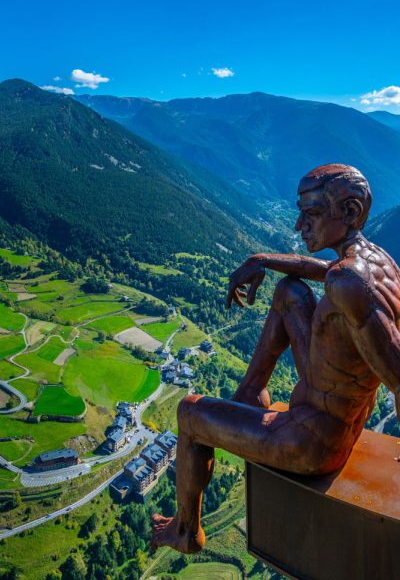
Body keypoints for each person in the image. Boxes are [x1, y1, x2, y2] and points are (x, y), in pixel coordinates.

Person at [151, 164, 400, 554]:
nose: (300, 226)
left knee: (189, 413)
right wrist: (263, 260)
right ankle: (250, 394)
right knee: (289, 292)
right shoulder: (376, 264)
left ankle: (185, 531)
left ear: (350, 211)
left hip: (312, 442)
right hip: (331, 409)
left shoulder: (351, 283)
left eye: (312, 213)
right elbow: (326, 271)